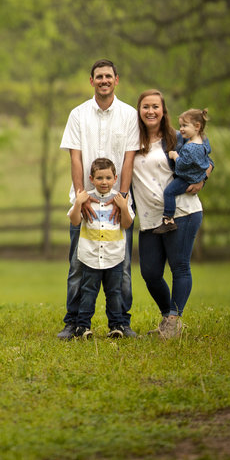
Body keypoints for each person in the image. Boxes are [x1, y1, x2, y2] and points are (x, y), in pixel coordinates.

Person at [57, 59, 139, 340]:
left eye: (108, 76)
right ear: (91, 81)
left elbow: (129, 158)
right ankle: (73, 322)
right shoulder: (78, 114)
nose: (104, 80)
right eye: (98, 76)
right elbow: (76, 157)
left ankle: (121, 323)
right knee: (78, 266)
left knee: (122, 267)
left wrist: (123, 197)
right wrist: (83, 198)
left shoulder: (129, 115)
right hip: (86, 205)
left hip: (116, 205)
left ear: (117, 79)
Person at [133, 90, 211, 339]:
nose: (151, 111)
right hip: (149, 218)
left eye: (156, 106)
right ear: (139, 111)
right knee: (150, 273)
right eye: (146, 106)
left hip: (182, 212)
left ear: (163, 110)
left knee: (179, 266)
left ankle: (173, 322)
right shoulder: (132, 142)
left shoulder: (177, 138)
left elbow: (207, 159)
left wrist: (203, 180)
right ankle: (168, 317)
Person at [69, 158, 134, 339]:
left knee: (114, 293)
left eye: (108, 178)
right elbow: (74, 221)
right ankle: (82, 327)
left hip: (114, 256)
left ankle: (116, 326)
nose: (104, 182)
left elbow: (127, 224)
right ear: (91, 178)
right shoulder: (85, 198)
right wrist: (78, 203)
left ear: (115, 178)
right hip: (90, 255)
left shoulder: (120, 200)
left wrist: (123, 208)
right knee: (88, 292)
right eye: (99, 178)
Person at [154, 108, 212, 234]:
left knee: (169, 192)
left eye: (185, 126)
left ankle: (168, 219)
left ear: (197, 126)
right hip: (195, 177)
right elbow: (206, 160)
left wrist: (175, 156)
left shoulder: (190, 147)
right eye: (180, 125)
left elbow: (182, 165)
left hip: (187, 179)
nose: (181, 129)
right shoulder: (201, 143)